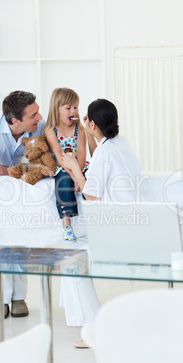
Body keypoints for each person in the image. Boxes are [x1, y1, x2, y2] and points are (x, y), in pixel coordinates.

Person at [61, 98, 141, 348]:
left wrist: (74, 167)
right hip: (133, 227)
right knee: (73, 246)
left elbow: (90, 196)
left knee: (70, 256)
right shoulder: (121, 144)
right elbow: (100, 172)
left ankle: (93, 327)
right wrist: (90, 132)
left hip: (116, 233)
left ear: (92, 123)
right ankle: (87, 321)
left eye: (85, 118)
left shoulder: (105, 152)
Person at [0, 90, 45, 319]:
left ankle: (18, 298)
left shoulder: (40, 126)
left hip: (23, 191)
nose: (39, 116)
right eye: (33, 114)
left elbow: (42, 169)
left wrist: (5, 170)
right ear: (16, 121)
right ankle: (1, 298)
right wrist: (14, 173)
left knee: (21, 239)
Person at [43, 88, 87, 242]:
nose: (73, 111)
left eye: (75, 107)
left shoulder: (80, 130)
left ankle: (95, 213)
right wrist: (73, 176)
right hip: (63, 166)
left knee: (92, 179)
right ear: (56, 109)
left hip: (78, 165)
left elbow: (81, 153)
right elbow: (59, 154)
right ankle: (66, 223)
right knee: (63, 181)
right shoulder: (50, 130)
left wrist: (78, 173)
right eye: (68, 108)